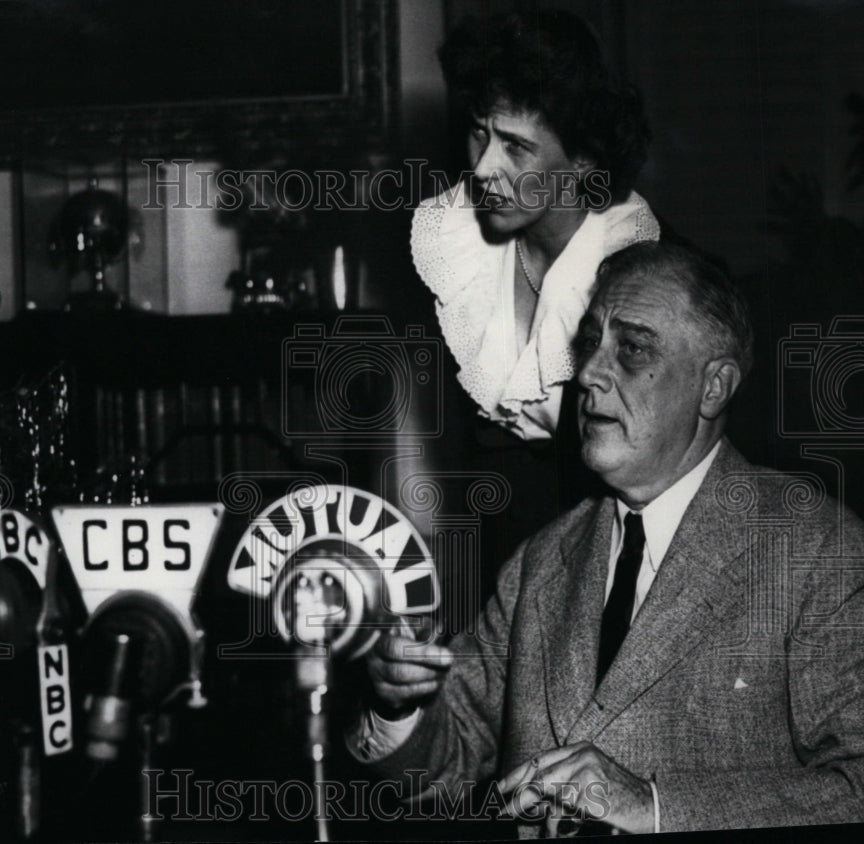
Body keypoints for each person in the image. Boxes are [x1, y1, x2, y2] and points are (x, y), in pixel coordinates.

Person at [352, 242, 864, 834]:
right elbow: (441, 768)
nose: (590, 373)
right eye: (589, 344)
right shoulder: (541, 562)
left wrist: (653, 806)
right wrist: (399, 702)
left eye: (633, 348)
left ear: (714, 387)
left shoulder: (818, 550)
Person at [413, 9, 658, 441]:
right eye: (479, 132)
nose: (484, 167)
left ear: (582, 158)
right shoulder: (450, 253)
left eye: (515, 145)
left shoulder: (646, 273)